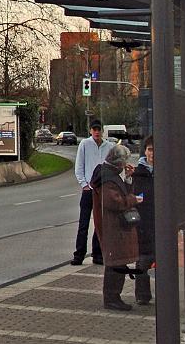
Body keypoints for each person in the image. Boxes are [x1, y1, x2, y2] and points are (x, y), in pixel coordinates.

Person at [90, 144, 142, 310]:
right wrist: (134, 199)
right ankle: (112, 298)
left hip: (114, 226)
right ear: (119, 162)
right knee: (115, 263)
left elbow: (121, 195)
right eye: (124, 161)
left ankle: (114, 297)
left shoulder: (109, 175)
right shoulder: (107, 178)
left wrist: (127, 179)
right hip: (112, 227)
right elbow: (115, 202)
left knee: (118, 262)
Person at [73, 120, 114, 265]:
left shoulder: (109, 146)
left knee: (99, 223)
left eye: (99, 130)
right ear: (90, 131)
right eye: (94, 129)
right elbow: (79, 166)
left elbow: (112, 167)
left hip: (102, 190)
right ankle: (79, 254)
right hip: (89, 190)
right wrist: (84, 184)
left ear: (102, 131)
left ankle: (97, 253)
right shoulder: (85, 144)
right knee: (83, 224)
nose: (96, 132)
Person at [132, 135, 155, 305]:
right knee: (143, 260)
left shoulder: (166, 170)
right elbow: (136, 196)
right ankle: (142, 295)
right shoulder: (139, 172)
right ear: (145, 151)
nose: (152, 153)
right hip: (144, 221)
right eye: (150, 149)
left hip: (161, 221)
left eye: (155, 149)